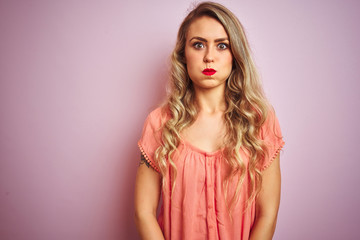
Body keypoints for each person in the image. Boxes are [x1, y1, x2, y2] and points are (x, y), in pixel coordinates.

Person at [134, 2, 285, 239]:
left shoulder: (260, 121)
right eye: (198, 45)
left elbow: (268, 213)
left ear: (235, 54)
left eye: (222, 46)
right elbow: (144, 212)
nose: (209, 57)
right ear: (184, 54)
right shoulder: (159, 123)